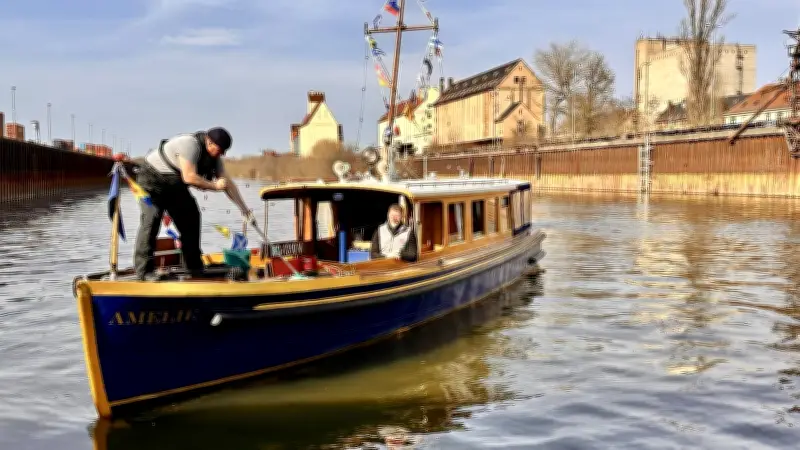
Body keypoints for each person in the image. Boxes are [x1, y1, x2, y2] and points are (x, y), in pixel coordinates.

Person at [133, 127, 252, 280]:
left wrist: (244, 209)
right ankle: (144, 272)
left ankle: (193, 267)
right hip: (151, 180)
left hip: (174, 184)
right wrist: (214, 186)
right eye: (220, 149)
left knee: (191, 217)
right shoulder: (190, 145)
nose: (222, 154)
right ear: (209, 142)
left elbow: (227, 184)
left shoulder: (215, 159)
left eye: (224, 151)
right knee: (151, 220)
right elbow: (189, 177)